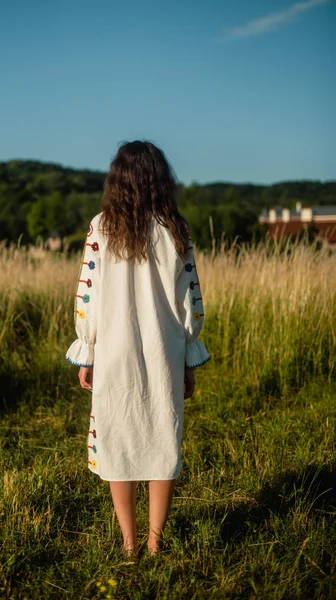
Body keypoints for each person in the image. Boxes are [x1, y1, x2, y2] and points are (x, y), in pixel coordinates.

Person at [65, 140, 211, 558]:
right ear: (160, 179)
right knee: (163, 439)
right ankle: (154, 544)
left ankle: (129, 545)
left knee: (118, 440)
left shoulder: (100, 227)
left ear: (117, 180)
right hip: (164, 351)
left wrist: (88, 347)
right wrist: (188, 356)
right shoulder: (175, 230)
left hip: (114, 351)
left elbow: (86, 296)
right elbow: (191, 301)